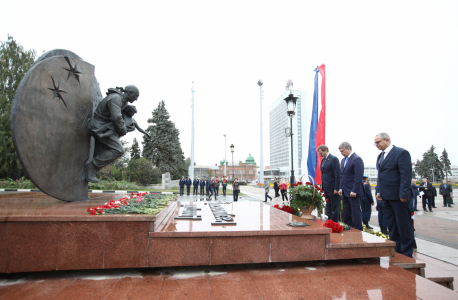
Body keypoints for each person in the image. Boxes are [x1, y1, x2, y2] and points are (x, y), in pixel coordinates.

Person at [87, 85, 139, 183]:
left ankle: (92, 170)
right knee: (118, 150)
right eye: (136, 96)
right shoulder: (116, 98)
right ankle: (92, 166)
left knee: (105, 151)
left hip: (105, 127)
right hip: (99, 127)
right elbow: (116, 118)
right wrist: (123, 129)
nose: (136, 99)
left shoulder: (123, 101)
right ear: (130, 93)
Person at [375, 132, 415, 258]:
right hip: (386, 196)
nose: (376, 145)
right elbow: (381, 175)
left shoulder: (401, 153)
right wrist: (379, 191)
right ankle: (397, 250)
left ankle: (407, 252)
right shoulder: (380, 156)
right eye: (375, 143)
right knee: (392, 225)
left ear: (387, 140)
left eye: (378, 142)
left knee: (404, 224)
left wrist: (404, 193)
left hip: (399, 196)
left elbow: (406, 174)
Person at [338, 142, 364, 230]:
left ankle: (358, 230)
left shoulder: (356, 159)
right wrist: (340, 187)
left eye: (342, 151)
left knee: (355, 212)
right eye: (340, 152)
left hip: (353, 191)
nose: (341, 153)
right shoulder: (343, 160)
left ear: (348, 149)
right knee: (346, 211)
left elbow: (358, 176)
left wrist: (354, 190)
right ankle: (349, 227)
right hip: (345, 190)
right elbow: (342, 176)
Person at [318, 145, 341, 223]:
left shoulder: (334, 159)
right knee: (328, 206)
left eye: (321, 153)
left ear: (325, 150)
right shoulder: (323, 160)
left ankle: (334, 222)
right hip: (326, 187)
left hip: (333, 187)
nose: (320, 155)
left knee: (334, 206)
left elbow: (337, 175)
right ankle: (330, 221)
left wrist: (336, 188)